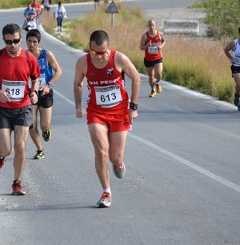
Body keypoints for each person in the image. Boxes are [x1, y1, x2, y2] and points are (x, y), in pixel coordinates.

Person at [73, 30, 140, 208]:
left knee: (115, 158)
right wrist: (78, 106)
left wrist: (133, 107)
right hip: (96, 112)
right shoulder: (83, 62)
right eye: (95, 53)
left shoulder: (119, 59)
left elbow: (136, 78)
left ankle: (118, 164)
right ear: (90, 48)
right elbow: (78, 84)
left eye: (103, 53)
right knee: (101, 152)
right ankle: (106, 192)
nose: (99, 57)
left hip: (119, 113)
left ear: (108, 47)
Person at [0, 23, 40, 195]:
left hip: (23, 108)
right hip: (3, 109)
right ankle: (0, 156)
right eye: (8, 42)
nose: (12, 45)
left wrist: (34, 92)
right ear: (3, 40)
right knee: (6, 149)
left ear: (21, 38)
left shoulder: (29, 58)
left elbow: (35, 78)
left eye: (15, 41)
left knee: (20, 147)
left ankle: (17, 183)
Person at [26, 29, 63, 160]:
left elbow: (58, 71)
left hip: (45, 93)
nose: (31, 44)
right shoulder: (23, 56)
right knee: (31, 123)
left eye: (34, 42)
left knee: (44, 125)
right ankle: (39, 149)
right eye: (29, 41)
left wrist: (49, 85)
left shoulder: (46, 55)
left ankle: (46, 130)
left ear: (39, 42)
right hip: (30, 94)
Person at [139, 19, 165, 97]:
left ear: (155, 26)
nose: (151, 27)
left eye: (153, 25)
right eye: (150, 25)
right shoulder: (145, 36)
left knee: (159, 73)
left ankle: (157, 83)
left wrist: (161, 46)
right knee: (151, 76)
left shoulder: (159, 34)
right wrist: (147, 46)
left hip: (158, 58)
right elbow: (141, 47)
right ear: (148, 26)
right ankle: (153, 90)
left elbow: (163, 41)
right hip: (148, 59)